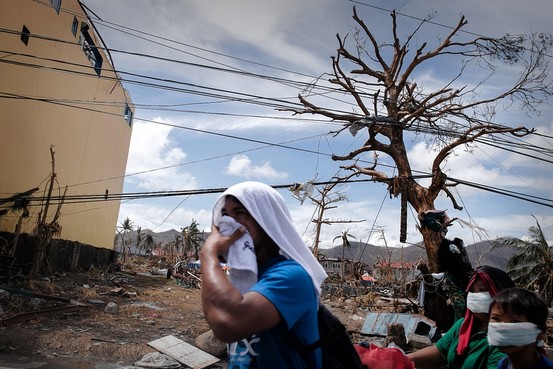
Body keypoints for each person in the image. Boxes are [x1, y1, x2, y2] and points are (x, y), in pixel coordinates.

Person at [200, 181, 328, 369]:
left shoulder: (292, 276)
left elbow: (227, 323)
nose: (228, 223)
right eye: (224, 215)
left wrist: (208, 254)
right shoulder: (243, 277)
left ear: (267, 219)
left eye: (240, 213)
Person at [407, 265, 515, 369]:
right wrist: (403, 360)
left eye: (482, 290)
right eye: (472, 291)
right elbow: (440, 352)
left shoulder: (505, 339)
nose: (475, 296)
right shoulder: (465, 324)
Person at [488, 287, 553, 369]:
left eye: (514, 321)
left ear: (539, 334)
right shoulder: (503, 364)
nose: (502, 328)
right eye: (496, 318)